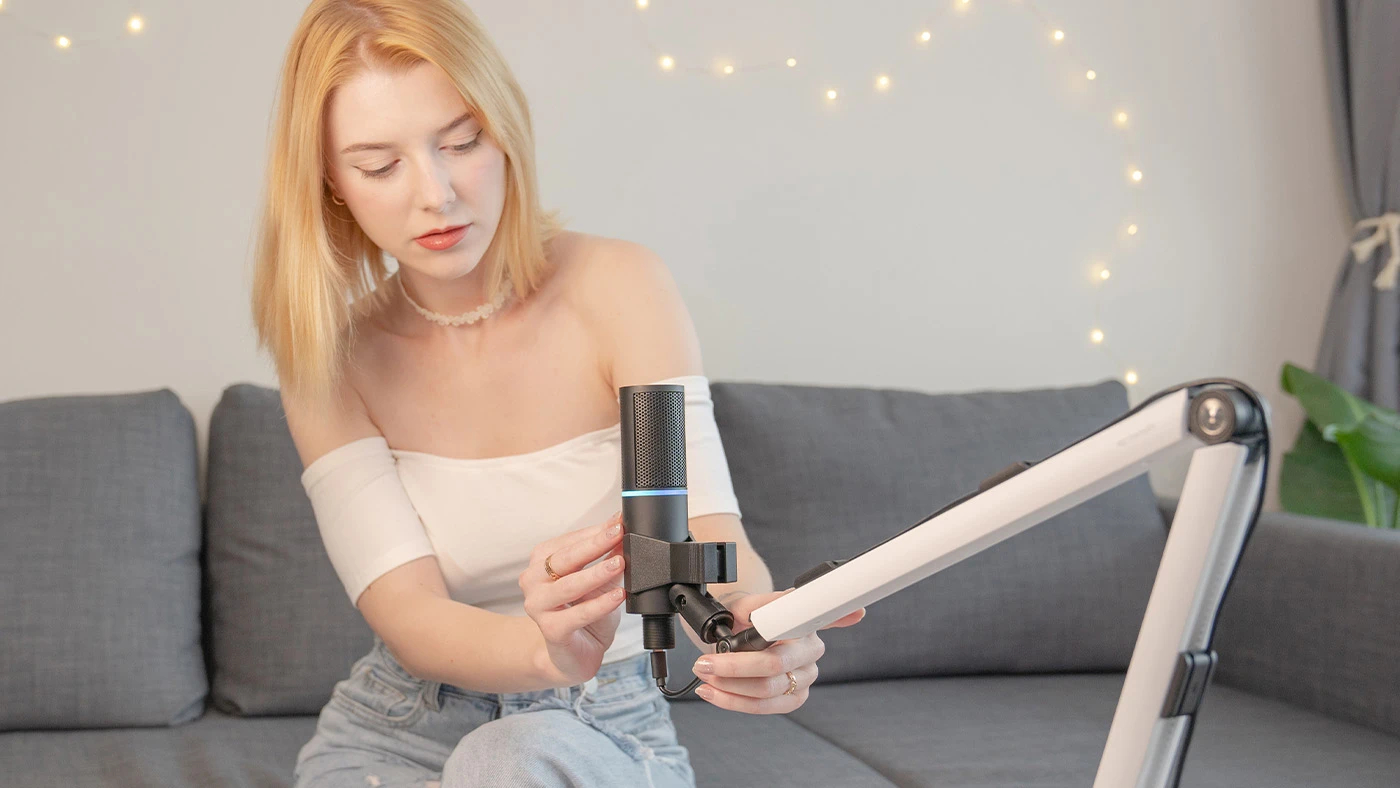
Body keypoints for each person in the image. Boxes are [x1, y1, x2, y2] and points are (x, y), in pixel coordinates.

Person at [250, 1, 866, 785]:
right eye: (379, 166)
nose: (436, 193)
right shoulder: (328, 360)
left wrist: (757, 627)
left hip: (600, 727)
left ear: (506, 132)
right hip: (397, 731)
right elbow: (409, 614)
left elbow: (701, 526)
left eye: (461, 142)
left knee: (507, 758)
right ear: (332, 184)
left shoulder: (618, 288)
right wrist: (545, 651)